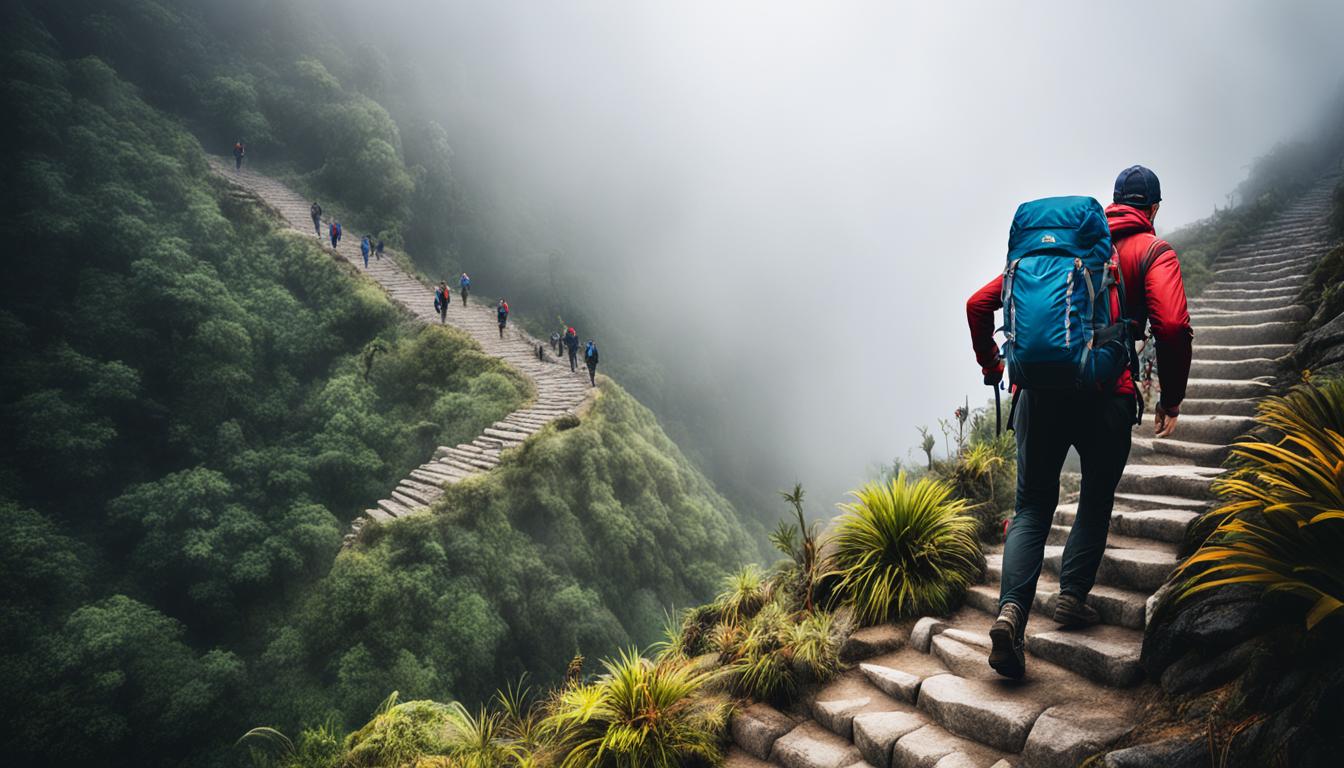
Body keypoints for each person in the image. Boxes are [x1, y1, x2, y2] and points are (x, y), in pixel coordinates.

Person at [965, 165, 1192, 680]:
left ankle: (1011, 615)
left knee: (1030, 508)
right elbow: (1173, 325)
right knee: (1095, 496)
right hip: (1105, 395)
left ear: (1111, 203)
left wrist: (993, 367)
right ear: (1153, 208)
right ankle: (1070, 596)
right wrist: (1171, 398)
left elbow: (979, 304)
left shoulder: (1059, 251)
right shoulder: (1150, 252)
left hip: (1038, 398)